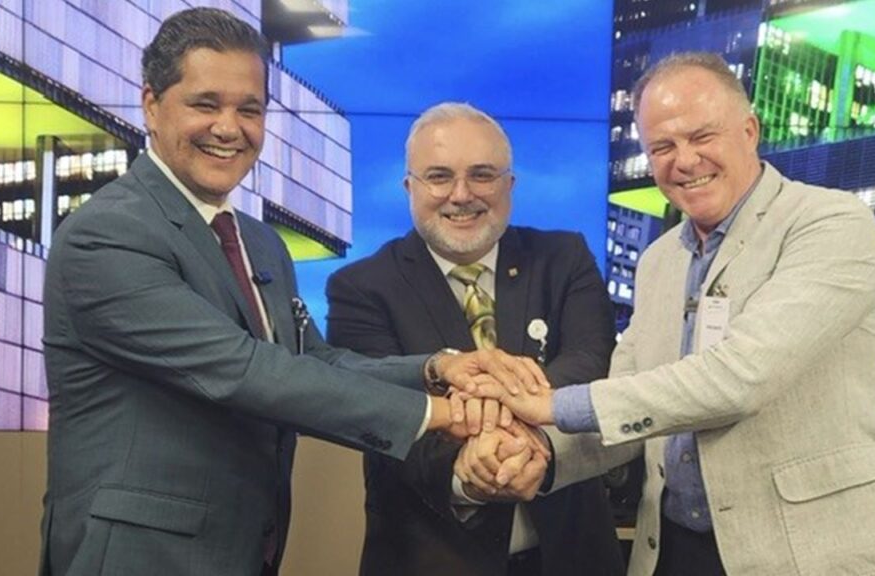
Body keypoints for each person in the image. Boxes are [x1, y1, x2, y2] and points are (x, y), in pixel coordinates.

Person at [40, 9, 543, 576]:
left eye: (249, 109)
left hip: (244, 550)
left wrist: (437, 368)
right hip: (139, 557)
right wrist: (441, 413)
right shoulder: (106, 235)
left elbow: (312, 362)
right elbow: (244, 370)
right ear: (152, 104)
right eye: (206, 104)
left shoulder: (257, 241)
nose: (230, 128)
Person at [467, 52, 875, 576]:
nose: (684, 160)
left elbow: (741, 378)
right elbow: (631, 404)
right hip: (674, 552)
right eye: (662, 146)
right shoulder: (660, 259)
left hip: (815, 555)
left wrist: (549, 404)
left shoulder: (830, 224)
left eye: (701, 136)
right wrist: (542, 458)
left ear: (750, 131)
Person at [325, 102, 626, 576]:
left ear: (510, 185)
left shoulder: (564, 257)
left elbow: (592, 361)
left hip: (574, 557)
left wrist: (518, 428)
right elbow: (381, 411)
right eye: (439, 177)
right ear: (410, 188)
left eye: (482, 175)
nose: (461, 195)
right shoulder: (361, 287)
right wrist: (470, 470)